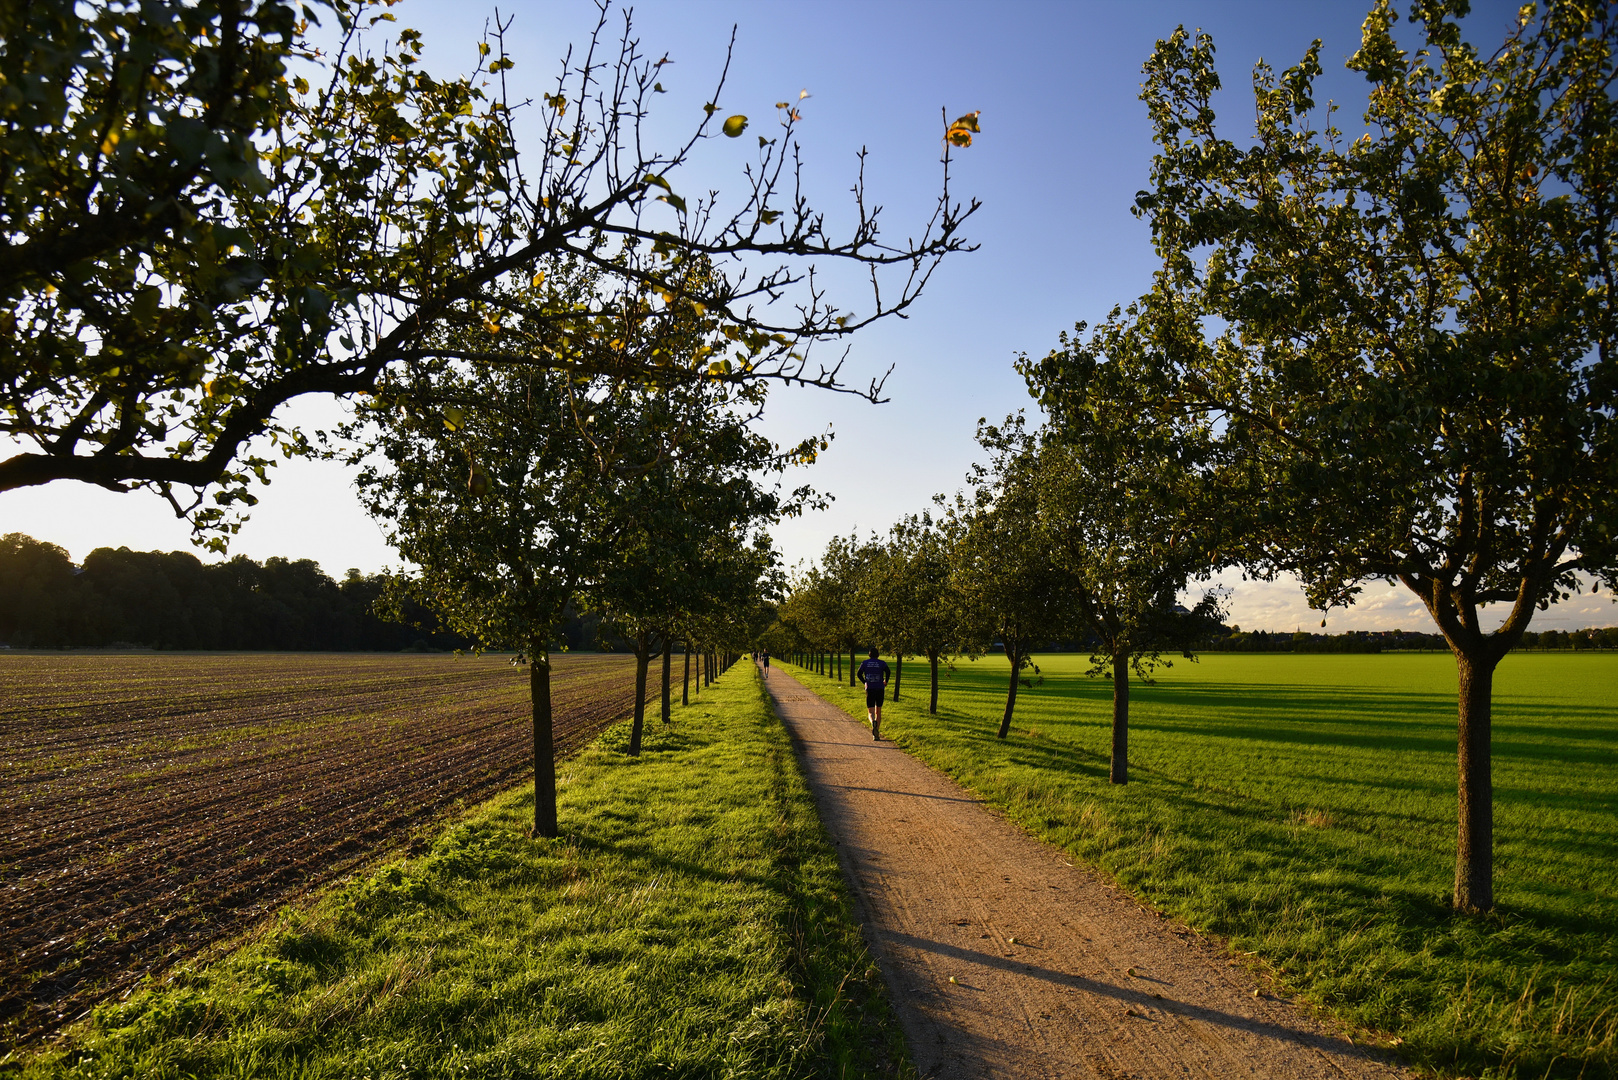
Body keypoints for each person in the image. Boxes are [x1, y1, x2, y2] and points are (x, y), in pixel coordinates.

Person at [855, 648, 891, 740]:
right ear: (878, 655)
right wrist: (885, 681)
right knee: (878, 710)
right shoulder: (882, 663)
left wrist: (865, 682)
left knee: (870, 711)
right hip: (880, 688)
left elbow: (859, 674)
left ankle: (872, 722)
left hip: (870, 688)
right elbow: (888, 671)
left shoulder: (865, 663)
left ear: (869, 655)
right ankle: (876, 733)